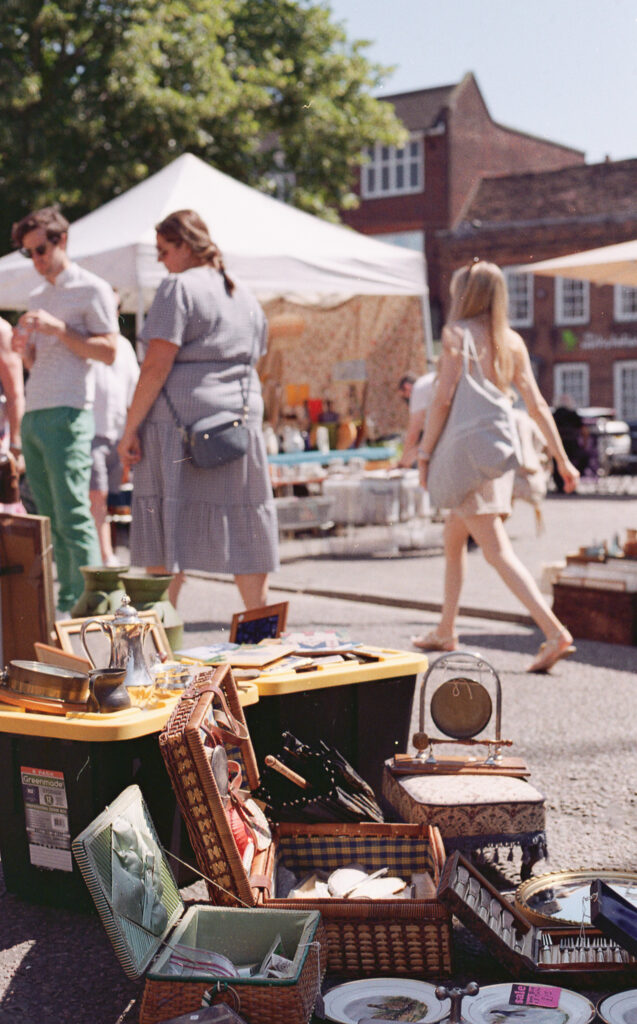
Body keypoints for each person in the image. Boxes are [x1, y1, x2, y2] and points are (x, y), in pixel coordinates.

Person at [413, 260, 580, 673]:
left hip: (466, 460)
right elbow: (538, 407)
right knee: (453, 541)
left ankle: (554, 631)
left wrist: (423, 454)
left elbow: (441, 401)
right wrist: (563, 460)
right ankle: (445, 629)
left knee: (497, 551)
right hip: (497, 457)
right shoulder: (512, 342)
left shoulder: (456, 335)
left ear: (465, 295)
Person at [118, 209, 279, 610]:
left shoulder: (178, 288)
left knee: (166, 525)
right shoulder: (242, 291)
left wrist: (128, 430)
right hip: (238, 421)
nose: (160, 260)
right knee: (246, 519)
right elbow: (259, 351)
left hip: (179, 423)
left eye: (163, 250)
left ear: (185, 247)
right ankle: (261, 630)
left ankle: (161, 637)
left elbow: (156, 365)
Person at [10, 206, 118, 612]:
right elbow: (42, 364)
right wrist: (26, 351)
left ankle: (93, 606)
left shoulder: (92, 288)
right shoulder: (39, 294)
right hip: (38, 409)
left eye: (40, 249)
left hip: (70, 410)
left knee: (73, 512)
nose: (36, 260)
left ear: (63, 240)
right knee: (52, 518)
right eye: (28, 253)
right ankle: (70, 603)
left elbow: (108, 351)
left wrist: (60, 330)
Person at [90, 326, 140, 565]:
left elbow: (134, 392)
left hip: (118, 433)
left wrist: (132, 434)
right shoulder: (87, 340)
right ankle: (106, 555)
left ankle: (106, 554)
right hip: (91, 430)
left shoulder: (125, 347)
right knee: (96, 496)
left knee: (110, 499)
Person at [398, 367, 436, 468]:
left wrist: (402, 463)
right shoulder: (429, 382)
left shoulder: (418, 389)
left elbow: (413, 434)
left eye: (405, 397)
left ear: (407, 388)